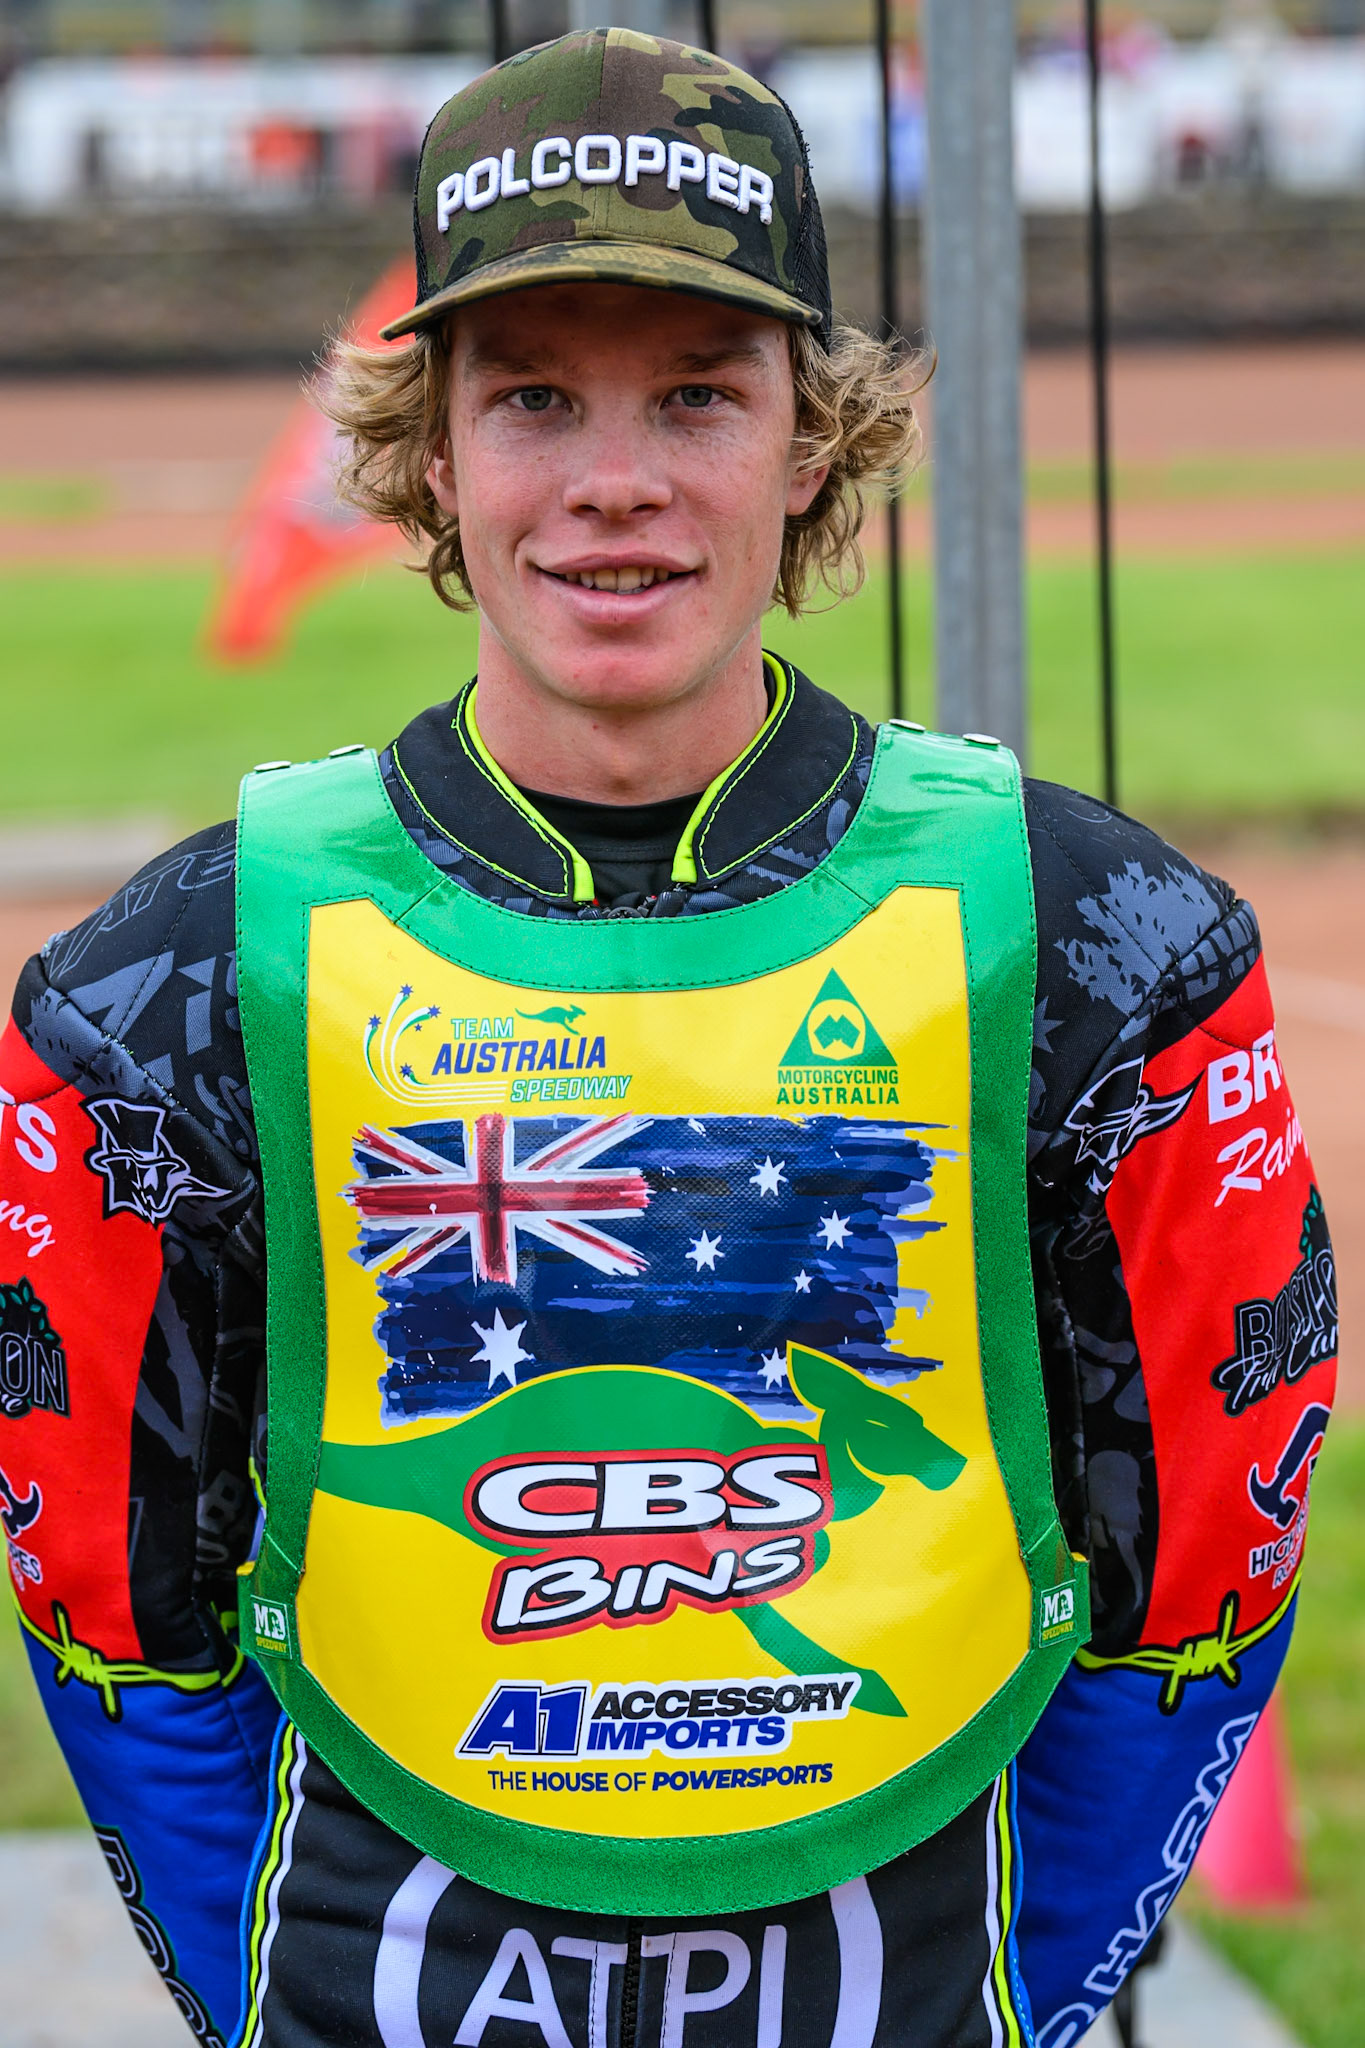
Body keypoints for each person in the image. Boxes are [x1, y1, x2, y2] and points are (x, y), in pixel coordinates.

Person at [0, 30, 1337, 2048]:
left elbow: (1207, 1558)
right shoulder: (169, 977)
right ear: (428, 451)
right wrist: (276, 1988)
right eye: (533, 394)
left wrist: (1020, 1986)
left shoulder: (1098, 940)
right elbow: (109, 1598)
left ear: (811, 441)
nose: (612, 481)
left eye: (695, 395)